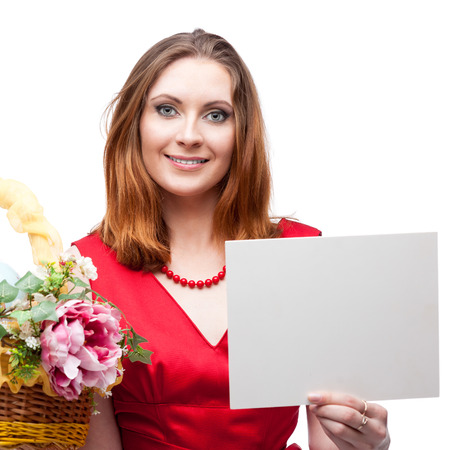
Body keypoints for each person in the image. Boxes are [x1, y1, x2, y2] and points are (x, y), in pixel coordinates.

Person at [74, 29, 390, 449]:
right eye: (167, 109)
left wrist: (368, 443)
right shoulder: (84, 273)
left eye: (216, 114)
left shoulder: (300, 256)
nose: (189, 134)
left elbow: (329, 438)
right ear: (135, 122)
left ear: (243, 132)